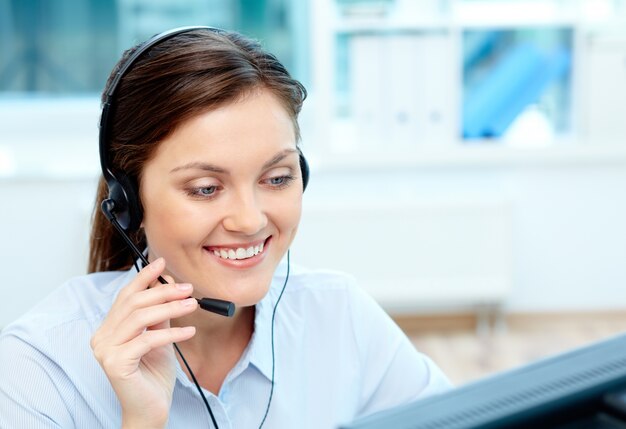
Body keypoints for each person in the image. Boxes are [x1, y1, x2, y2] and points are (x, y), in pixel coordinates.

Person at [0, 27, 451, 428]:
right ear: (129, 204)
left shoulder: (339, 315)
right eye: (205, 188)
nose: (251, 220)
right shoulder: (40, 365)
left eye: (277, 178)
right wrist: (141, 422)